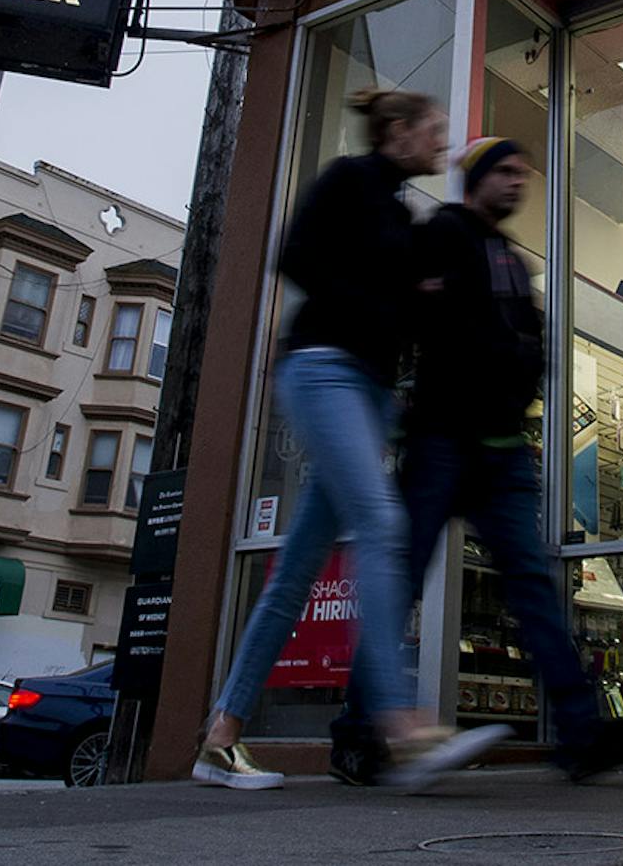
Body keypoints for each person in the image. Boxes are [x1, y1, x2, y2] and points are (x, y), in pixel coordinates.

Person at [194, 89, 510, 792]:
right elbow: (296, 256)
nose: (440, 142)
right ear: (397, 131)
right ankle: (402, 726)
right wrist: (386, 298)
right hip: (320, 368)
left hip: (368, 391)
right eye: (432, 130)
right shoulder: (347, 178)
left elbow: (393, 301)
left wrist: (420, 299)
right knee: (381, 521)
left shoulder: (404, 211)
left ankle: (221, 736)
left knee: (299, 566)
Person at [330, 137, 623, 786]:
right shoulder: (443, 231)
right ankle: (359, 733)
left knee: (531, 584)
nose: (517, 181)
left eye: (523, 172)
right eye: (505, 171)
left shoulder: (512, 259)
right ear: (475, 177)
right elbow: (408, 304)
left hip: (502, 450)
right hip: (442, 439)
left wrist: (518, 369)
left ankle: (581, 736)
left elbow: (529, 338)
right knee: (401, 580)